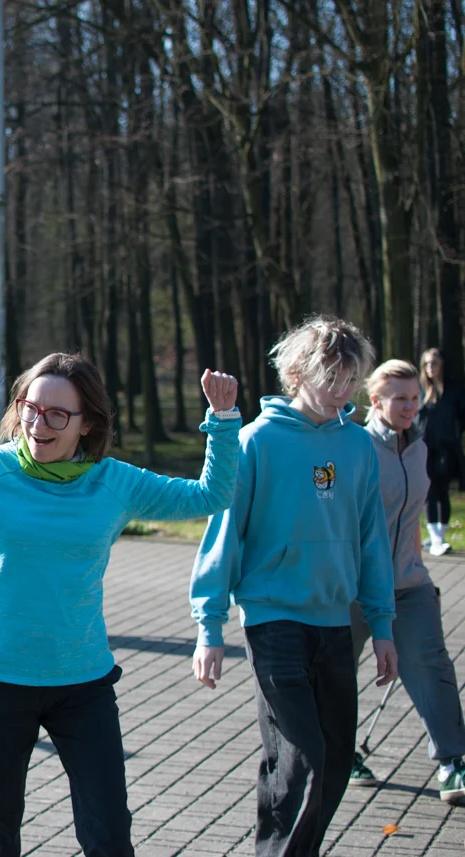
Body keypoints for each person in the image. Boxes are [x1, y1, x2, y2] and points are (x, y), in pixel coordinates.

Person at [0, 343, 241, 857]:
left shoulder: (115, 482)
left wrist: (223, 420)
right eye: (31, 408)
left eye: (57, 414)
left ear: (86, 423)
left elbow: (210, 497)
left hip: (81, 682)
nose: (39, 424)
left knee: (108, 833)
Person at [190, 316, 397, 857]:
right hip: (272, 619)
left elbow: (372, 539)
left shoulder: (357, 446)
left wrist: (382, 625)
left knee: (331, 759)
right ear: (298, 372)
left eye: (351, 379)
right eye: (332, 376)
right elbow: (224, 534)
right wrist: (208, 628)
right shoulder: (256, 441)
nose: (342, 390)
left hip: (335, 621)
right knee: (300, 755)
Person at [344, 359, 465, 802]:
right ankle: (341, 755)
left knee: (432, 665)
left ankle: (454, 762)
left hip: (408, 582)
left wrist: (418, 568)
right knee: (336, 673)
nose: (410, 406)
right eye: (400, 398)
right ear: (375, 401)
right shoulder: (355, 446)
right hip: (354, 587)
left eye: (415, 397)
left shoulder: (418, 444)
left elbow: (410, 515)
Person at [417, 348, 465, 556]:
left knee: (442, 491)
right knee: (428, 492)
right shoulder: (420, 391)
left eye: (434, 363)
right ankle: (434, 536)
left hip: (446, 448)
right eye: (427, 364)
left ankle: (440, 536)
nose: (430, 368)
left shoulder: (453, 391)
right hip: (424, 448)